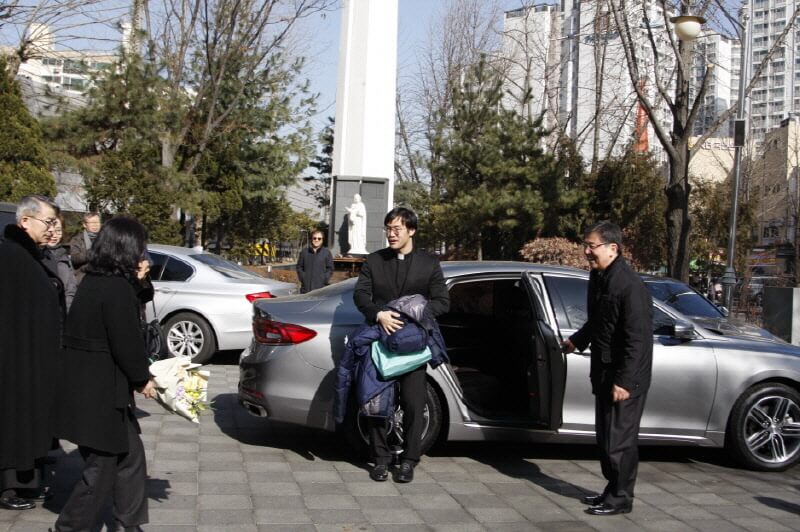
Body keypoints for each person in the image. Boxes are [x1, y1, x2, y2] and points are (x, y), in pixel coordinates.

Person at [54, 216, 157, 532]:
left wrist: (140, 280)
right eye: (139, 247)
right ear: (126, 247)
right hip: (99, 391)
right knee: (102, 466)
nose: (143, 253)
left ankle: (128, 523)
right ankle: (69, 527)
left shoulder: (99, 280)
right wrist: (142, 379)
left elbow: (137, 301)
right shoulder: (115, 287)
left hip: (93, 387)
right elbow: (125, 341)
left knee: (131, 457)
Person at [561, 221, 653, 516]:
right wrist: (577, 341)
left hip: (624, 377)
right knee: (606, 440)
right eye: (585, 245)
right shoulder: (599, 277)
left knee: (619, 442)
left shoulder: (629, 285)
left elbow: (637, 339)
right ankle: (612, 489)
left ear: (613, 248)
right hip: (603, 371)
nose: (587, 251)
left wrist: (624, 381)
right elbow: (600, 321)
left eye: (592, 246)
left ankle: (621, 498)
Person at [353, 207, 449, 483]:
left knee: (414, 403)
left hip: (413, 346)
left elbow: (442, 302)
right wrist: (378, 314)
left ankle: (409, 460)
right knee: (375, 402)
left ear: (411, 230)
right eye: (388, 229)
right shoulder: (374, 260)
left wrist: (413, 315)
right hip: (380, 342)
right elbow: (361, 295)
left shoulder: (429, 263)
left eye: (397, 229)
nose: (391, 234)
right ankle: (380, 459)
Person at [0, 195, 63, 511]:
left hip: (35, 356)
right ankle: (9, 486)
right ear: (25, 221)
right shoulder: (10, 255)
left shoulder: (31, 255)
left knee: (31, 422)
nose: (52, 228)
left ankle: (28, 481)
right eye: (48, 221)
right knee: (14, 422)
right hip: (15, 358)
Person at [44, 214, 78, 311]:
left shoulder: (64, 255)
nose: (54, 235)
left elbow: (71, 288)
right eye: (50, 230)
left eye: (58, 231)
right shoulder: (37, 254)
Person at [68, 211, 101, 283]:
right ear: (84, 224)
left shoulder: (105, 238)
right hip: (83, 277)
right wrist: (93, 252)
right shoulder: (77, 239)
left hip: (101, 276)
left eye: (97, 222)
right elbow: (75, 259)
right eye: (92, 223)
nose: (95, 225)